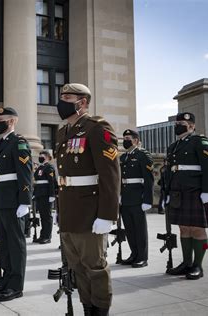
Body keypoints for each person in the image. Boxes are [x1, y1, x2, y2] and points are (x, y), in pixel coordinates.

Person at [55, 83, 120, 315]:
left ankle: (101, 310)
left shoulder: (96, 128)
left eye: (68, 97)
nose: (62, 101)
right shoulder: (63, 132)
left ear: (82, 102)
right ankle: (87, 308)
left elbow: (110, 175)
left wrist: (106, 215)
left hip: (90, 211)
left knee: (95, 267)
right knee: (77, 267)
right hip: (70, 210)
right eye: (61, 96)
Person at [166, 112, 208, 280]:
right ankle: (186, 263)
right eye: (177, 122)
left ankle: (197, 266)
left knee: (197, 228)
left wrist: (207, 191)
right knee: (183, 227)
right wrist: (167, 193)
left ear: (192, 126)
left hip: (195, 191)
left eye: (182, 123)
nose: (178, 125)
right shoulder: (174, 146)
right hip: (178, 192)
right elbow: (170, 171)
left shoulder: (199, 142)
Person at [0, 107, 32, 302]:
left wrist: (25, 201)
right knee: (4, 244)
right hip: (1, 200)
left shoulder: (19, 142)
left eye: (2, 119)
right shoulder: (2, 144)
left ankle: (16, 285)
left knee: (16, 244)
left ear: (12, 121)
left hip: (14, 202)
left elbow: (25, 173)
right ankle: (5, 280)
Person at [119, 129, 154, 268]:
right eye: (124, 138)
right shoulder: (123, 157)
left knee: (139, 229)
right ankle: (134, 254)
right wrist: (120, 195)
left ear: (136, 140)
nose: (125, 140)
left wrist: (147, 199)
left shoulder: (143, 155)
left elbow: (149, 179)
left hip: (138, 196)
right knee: (129, 228)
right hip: (126, 197)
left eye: (128, 138)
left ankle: (142, 257)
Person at [33, 150, 56, 244]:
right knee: (42, 216)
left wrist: (52, 195)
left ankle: (47, 236)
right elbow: (36, 182)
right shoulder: (40, 167)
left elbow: (52, 182)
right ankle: (42, 235)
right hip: (39, 193)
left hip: (46, 194)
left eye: (42, 155)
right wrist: (34, 193)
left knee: (47, 216)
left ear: (47, 156)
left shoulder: (49, 167)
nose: (40, 156)